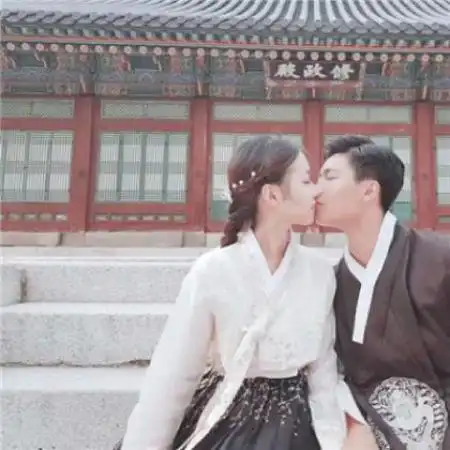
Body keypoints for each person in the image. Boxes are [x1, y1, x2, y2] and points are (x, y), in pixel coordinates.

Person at [117, 136, 347, 450]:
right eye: (306, 181)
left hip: (299, 421)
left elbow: (323, 369)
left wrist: (334, 440)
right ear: (272, 195)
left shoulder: (319, 271)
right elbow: (174, 373)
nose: (316, 190)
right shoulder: (212, 271)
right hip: (228, 415)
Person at [316, 135, 450, 450]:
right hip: (373, 434)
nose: (316, 189)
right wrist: (353, 423)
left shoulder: (441, 258)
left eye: (329, 177)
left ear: (369, 190)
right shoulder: (333, 282)